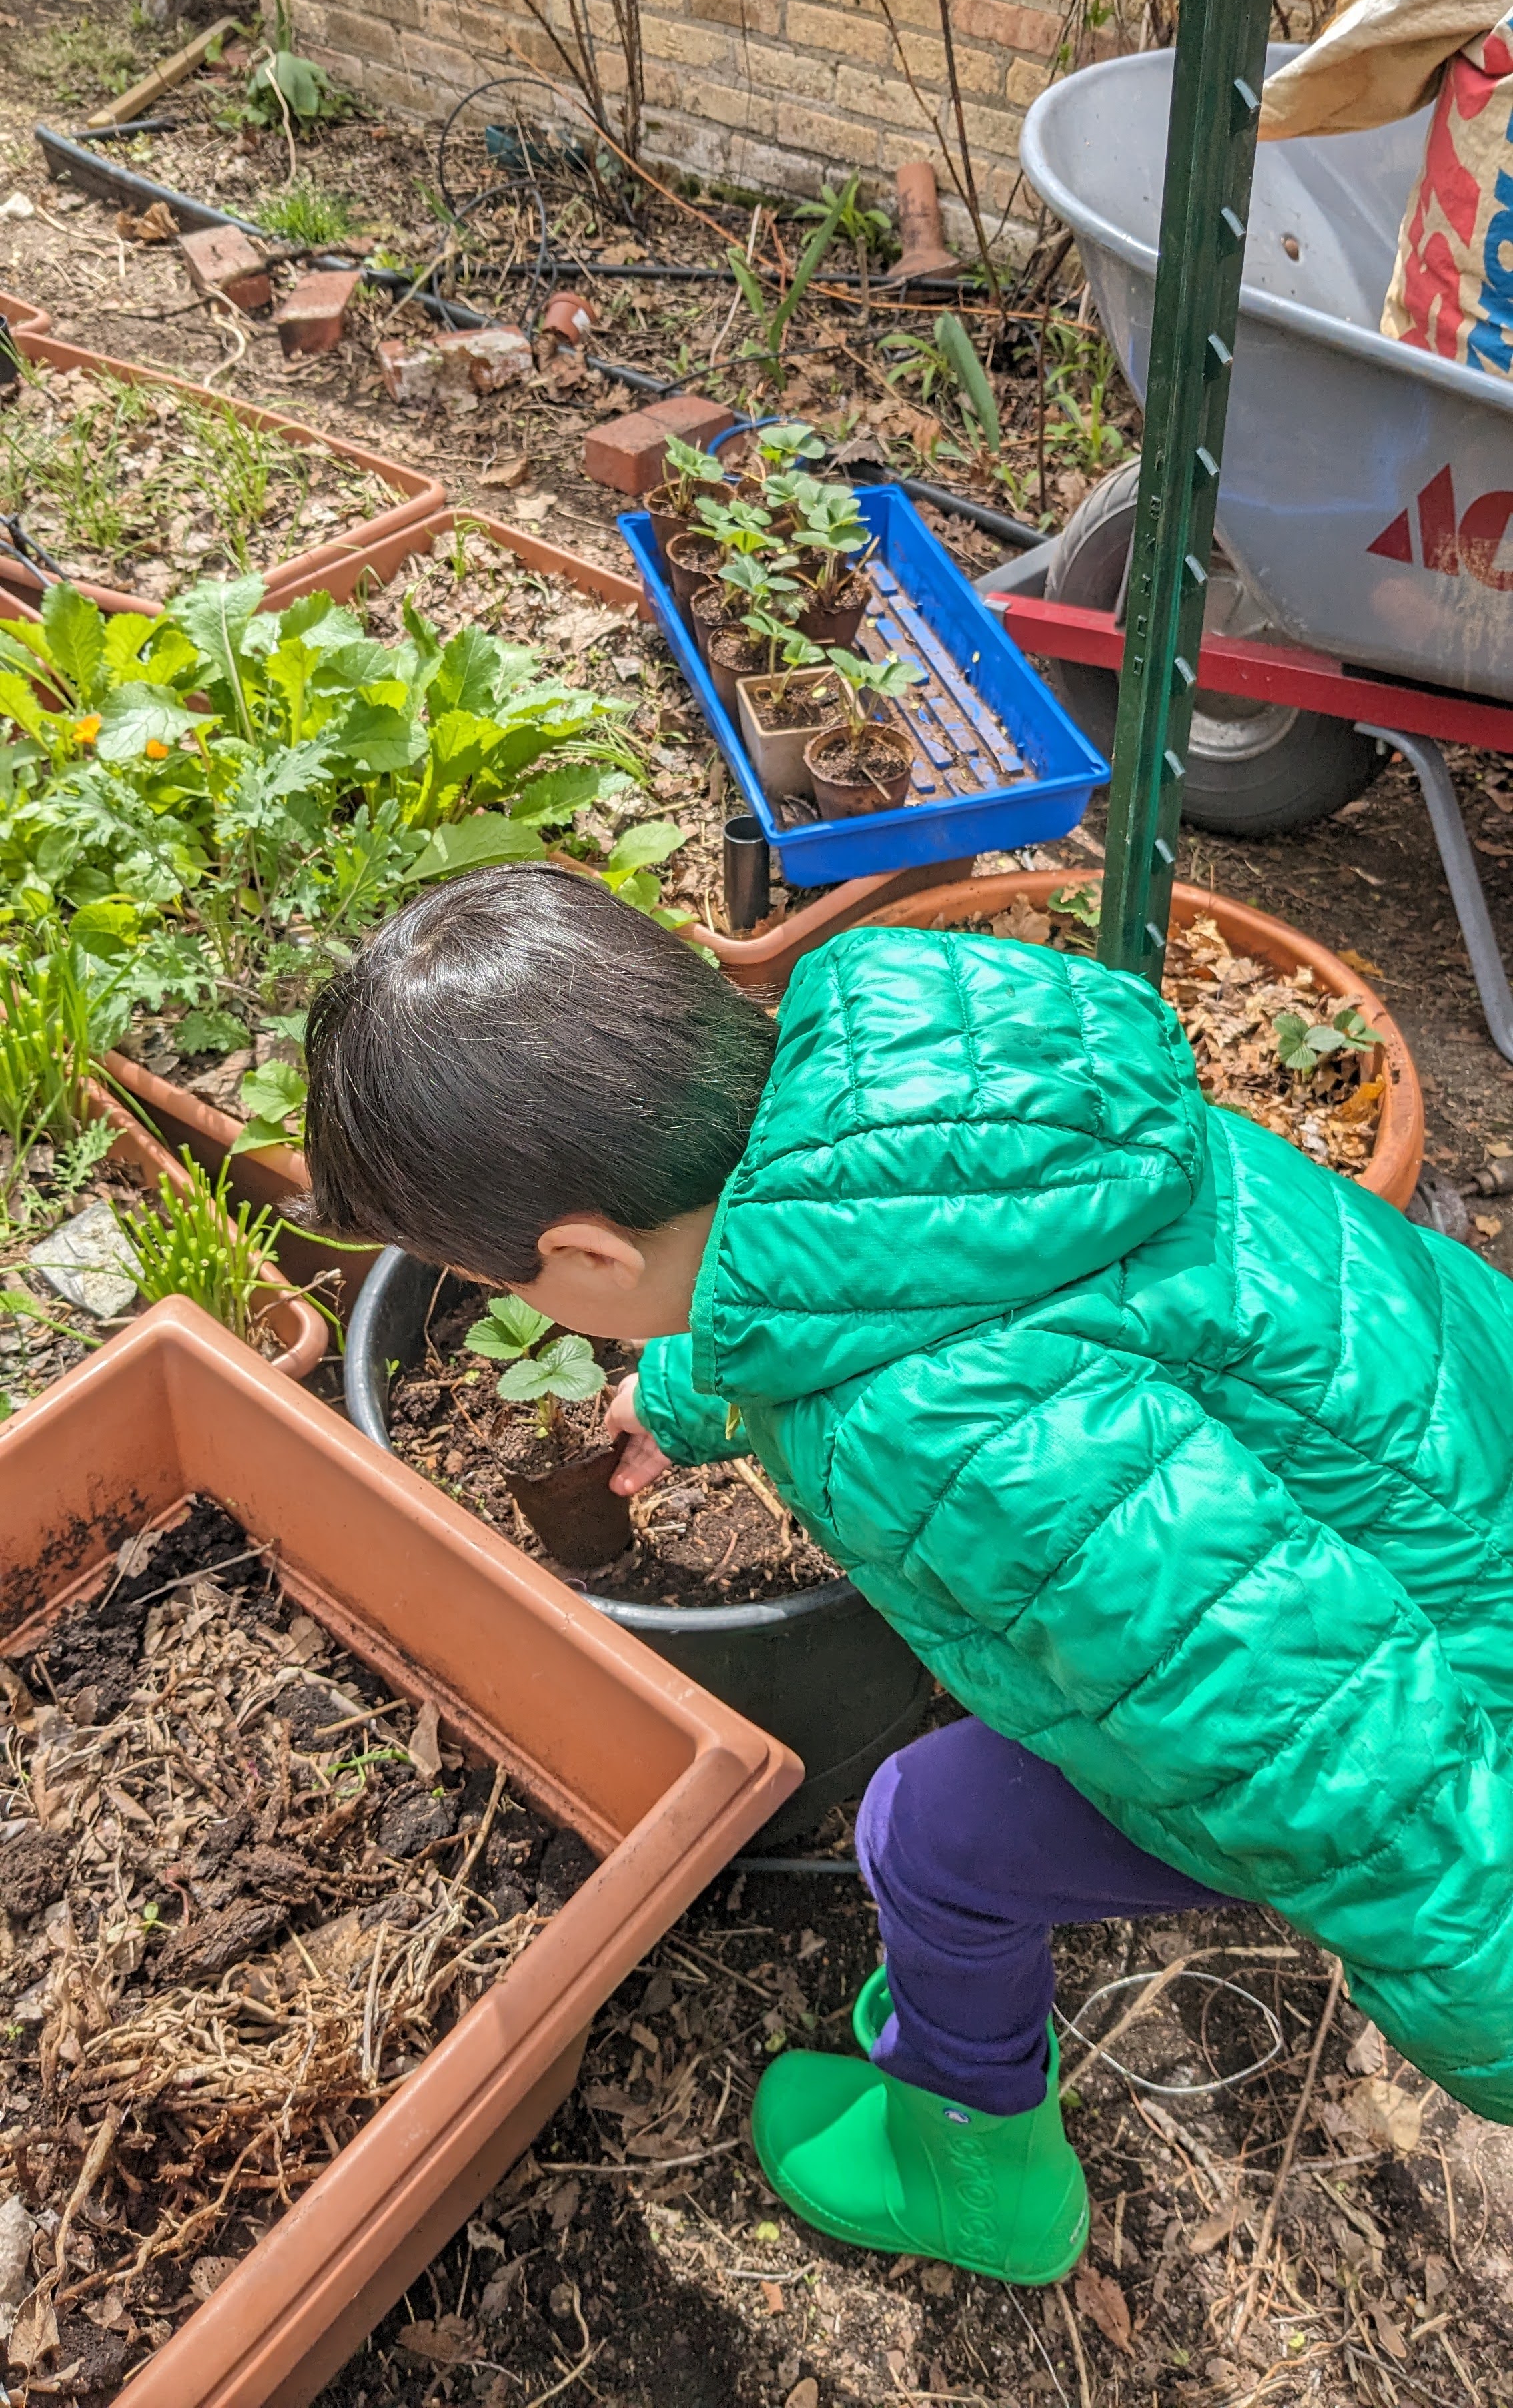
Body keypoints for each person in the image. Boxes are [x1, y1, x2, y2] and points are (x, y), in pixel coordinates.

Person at [301, 863, 1513, 2286]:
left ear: (579, 1253)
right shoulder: (941, 1066)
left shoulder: (946, 1438)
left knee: (927, 1835)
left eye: (513, 1284)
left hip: (1461, 1698)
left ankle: (976, 2171)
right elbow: (873, 1264)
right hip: (1453, 1443)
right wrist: (686, 1390)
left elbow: (1342, 1761)